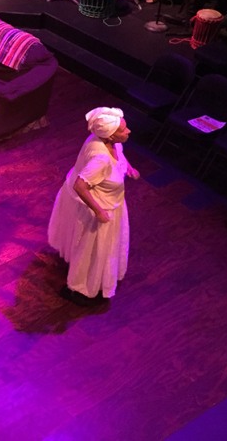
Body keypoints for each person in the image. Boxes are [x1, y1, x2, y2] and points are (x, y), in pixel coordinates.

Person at [48, 107, 140, 305]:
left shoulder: (110, 143)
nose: (129, 131)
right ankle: (80, 288)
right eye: (123, 130)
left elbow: (120, 154)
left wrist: (128, 168)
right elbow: (80, 185)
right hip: (99, 207)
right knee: (90, 250)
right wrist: (98, 211)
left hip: (111, 202)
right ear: (110, 137)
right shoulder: (100, 159)